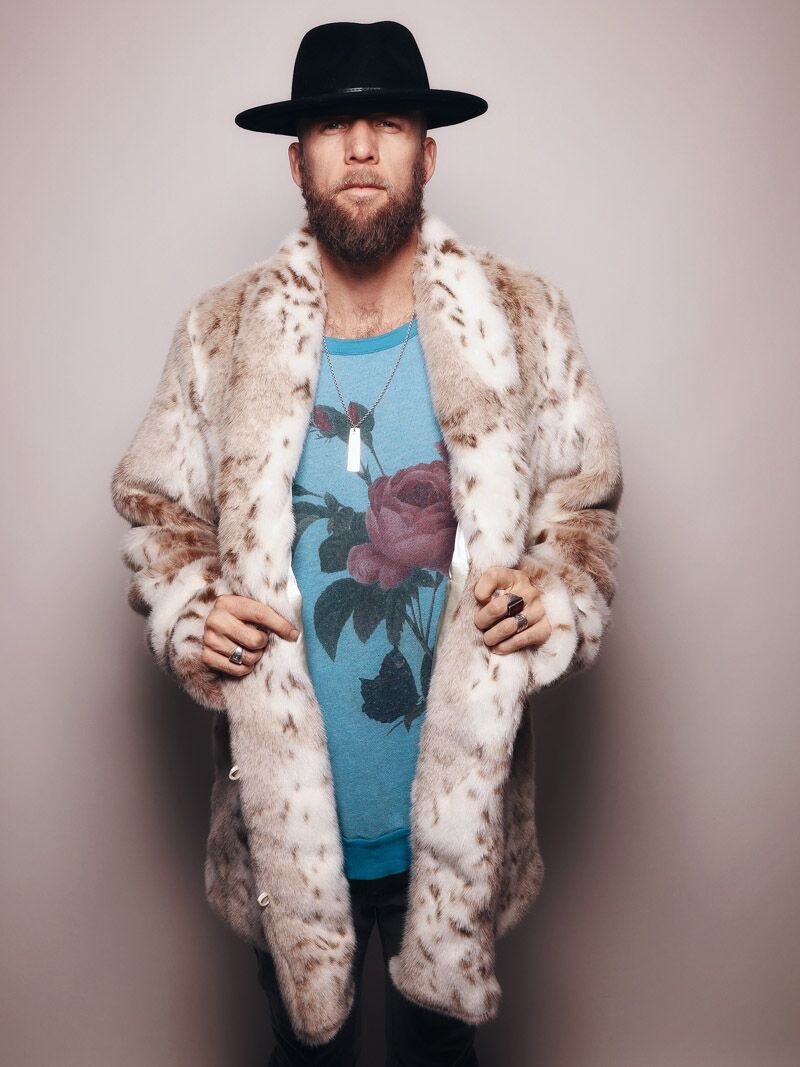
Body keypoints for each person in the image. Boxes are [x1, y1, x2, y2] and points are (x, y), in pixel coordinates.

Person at [110, 19, 624, 1067]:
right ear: (295, 156)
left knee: (442, 1059)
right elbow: (159, 510)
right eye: (331, 126)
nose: (356, 147)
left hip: (459, 824)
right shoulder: (220, 330)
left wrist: (555, 587)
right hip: (286, 829)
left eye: (385, 123)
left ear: (424, 153)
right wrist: (189, 608)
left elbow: (582, 503)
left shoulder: (521, 318)